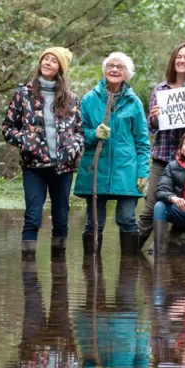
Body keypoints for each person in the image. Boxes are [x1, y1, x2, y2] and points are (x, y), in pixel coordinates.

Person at [1, 47, 84, 259]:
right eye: (45, 59)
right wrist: (25, 141)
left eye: (53, 61)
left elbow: (80, 131)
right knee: (33, 217)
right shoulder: (24, 94)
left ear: (60, 69)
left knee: (61, 218)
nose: (47, 63)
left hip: (62, 168)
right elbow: (8, 127)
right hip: (34, 167)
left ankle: (59, 273)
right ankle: (28, 274)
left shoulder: (72, 99)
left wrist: (75, 146)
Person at [74, 52, 150, 255]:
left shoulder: (134, 103)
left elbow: (142, 141)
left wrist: (143, 171)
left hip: (126, 169)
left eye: (120, 67)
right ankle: (91, 275)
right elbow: (78, 134)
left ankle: (129, 273)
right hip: (96, 167)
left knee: (127, 219)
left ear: (127, 74)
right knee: (94, 223)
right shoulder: (89, 99)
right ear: (105, 70)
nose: (114, 69)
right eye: (111, 66)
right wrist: (93, 134)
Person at [139, 44, 185, 248]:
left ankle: (178, 258)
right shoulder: (160, 89)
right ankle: (129, 258)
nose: (182, 60)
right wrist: (155, 119)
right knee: (150, 209)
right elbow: (152, 128)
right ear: (173, 60)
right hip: (162, 157)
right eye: (179, 57)